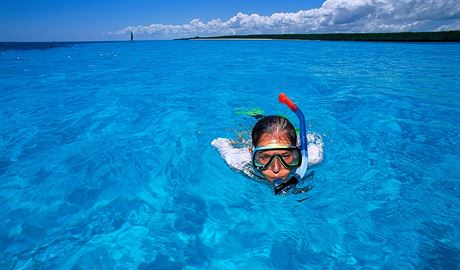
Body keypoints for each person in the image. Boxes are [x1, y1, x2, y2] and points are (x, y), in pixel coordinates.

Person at [211, 115, 323, 192]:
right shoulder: (237, 160)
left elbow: (315, 137)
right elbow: (218, 142)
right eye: (264, 157)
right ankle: (256, 114)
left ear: (297, 153)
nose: (276, 169)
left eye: (285, 156)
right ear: (251, 154)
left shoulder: (312, 157)